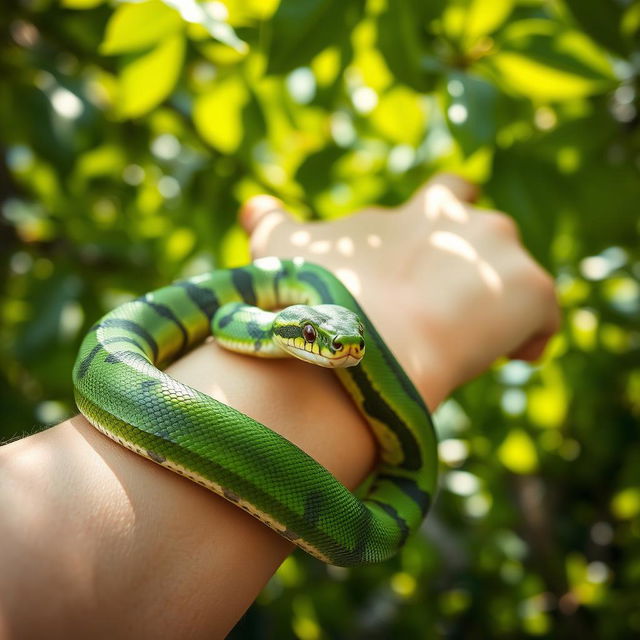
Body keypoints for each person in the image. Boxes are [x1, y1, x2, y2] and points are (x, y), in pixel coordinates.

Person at [0, 174, 560, 638]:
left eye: (354, 339)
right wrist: (407, 325)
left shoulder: (324, 329)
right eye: (318, 337)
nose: (344, 349)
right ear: (291, 322)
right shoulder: (264, 324)